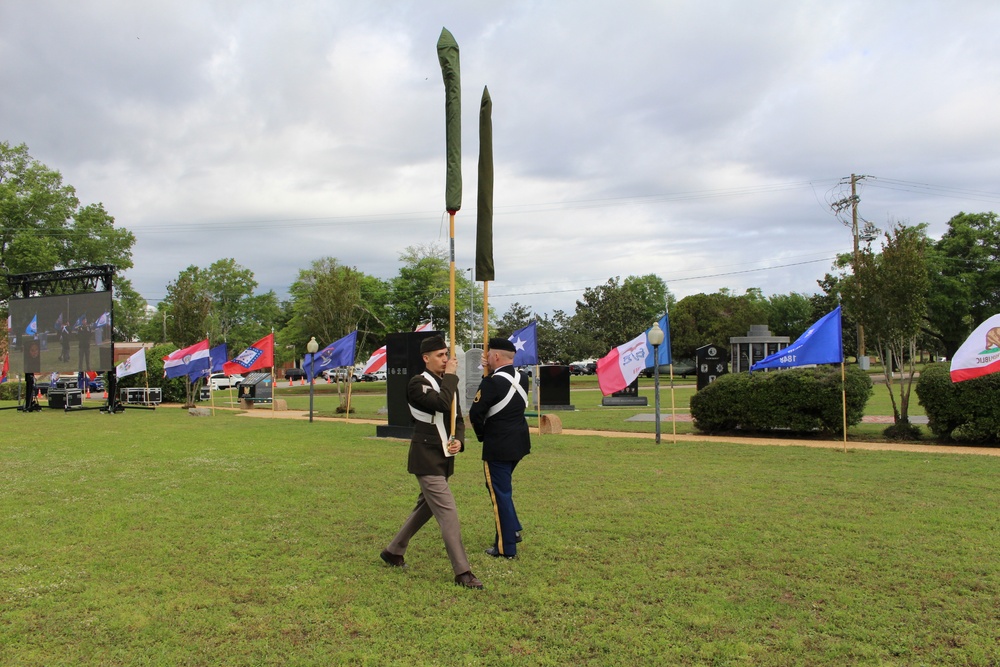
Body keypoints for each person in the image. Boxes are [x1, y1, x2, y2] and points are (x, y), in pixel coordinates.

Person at [381, 335, 483, 589]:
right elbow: (440, 403)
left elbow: (456, 418)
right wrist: (451, 376)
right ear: (426, 358)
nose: (445, 359)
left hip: (443, 457)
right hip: (425, 458)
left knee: (424, 509)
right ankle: (463, 572)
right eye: (440, 355)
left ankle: (393, 551)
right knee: (448, 513)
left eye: (446, 354)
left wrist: (459, 440)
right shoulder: (417, 384)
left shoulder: (446, 382)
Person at [469, 337, 531, 559]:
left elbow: (475, 414)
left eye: (488, 355)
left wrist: (481, 436)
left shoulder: (492, 382)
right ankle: (512, 530)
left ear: (495, 356)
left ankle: (506, 548)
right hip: (519, 443)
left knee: (499, 494)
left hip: (498, 446)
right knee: (502, 491)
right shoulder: (523, 377)